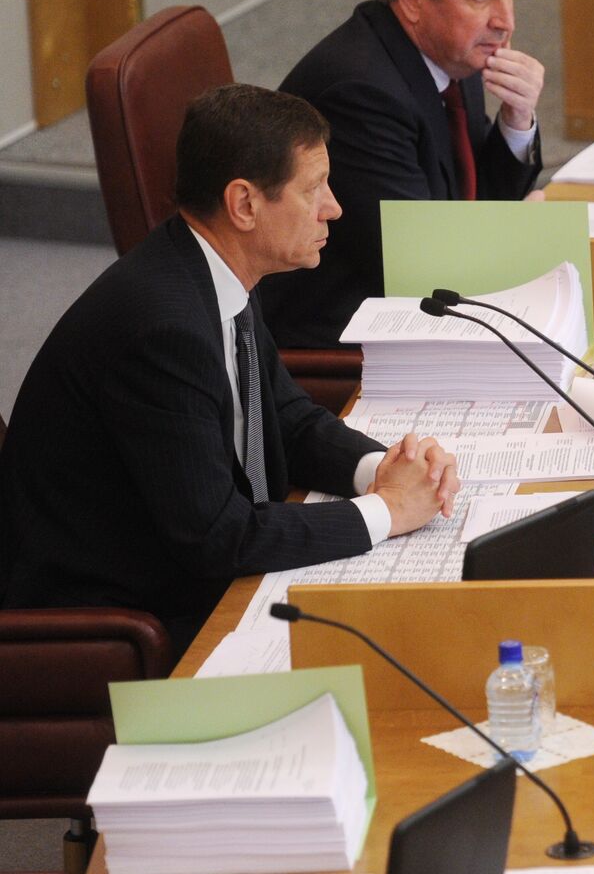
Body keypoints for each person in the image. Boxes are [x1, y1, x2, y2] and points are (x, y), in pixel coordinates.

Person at [0, 84, 460, 657]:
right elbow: (218, 537)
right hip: (123, 620)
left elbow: (284, 416)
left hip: (193, 572)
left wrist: (382, 469)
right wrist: (388, 511)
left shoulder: (213, 267)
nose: (334, 207)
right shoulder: (161, 328)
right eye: (313, 188)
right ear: (244, 204)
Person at [260, 0, 544, 350]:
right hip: (346, 330)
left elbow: (476, 200)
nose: (505, 20)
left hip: (421, 294)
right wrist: (523, 239)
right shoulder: (360, 92)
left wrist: (517, 119)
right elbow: (415, 265)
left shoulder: (452, 55)